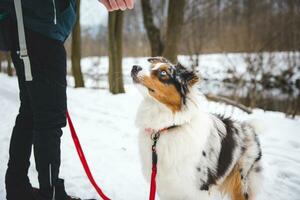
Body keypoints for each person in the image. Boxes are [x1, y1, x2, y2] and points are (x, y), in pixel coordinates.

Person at [0, 0, 134, 199]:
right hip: (36, 24)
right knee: (48, 118)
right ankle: (50, 192)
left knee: (31, 111)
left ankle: (18, 186)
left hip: (38, 25)